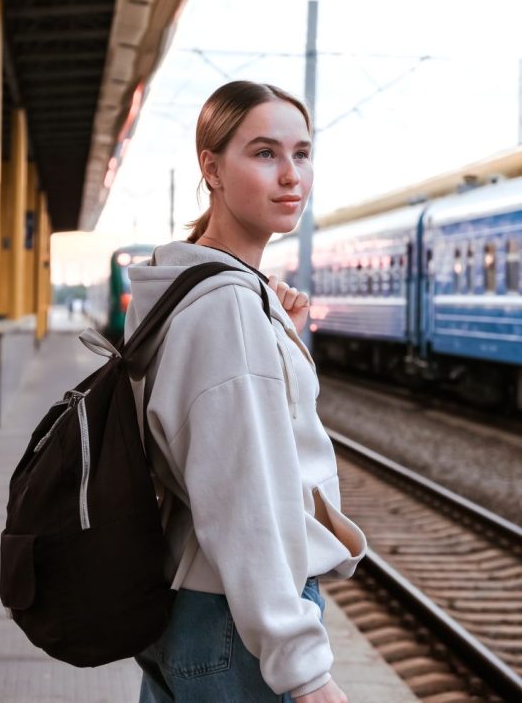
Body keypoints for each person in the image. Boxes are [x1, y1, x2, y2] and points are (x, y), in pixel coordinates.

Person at [125, 80, 367, 703]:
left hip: (191, 606)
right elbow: (247, 503)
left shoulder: (184, 285)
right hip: (236, 626)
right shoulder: (228, 307)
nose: (292, 176)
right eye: (264, 154)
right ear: (211, 167)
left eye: (303, 153)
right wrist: (306, 672)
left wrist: (274, 326)